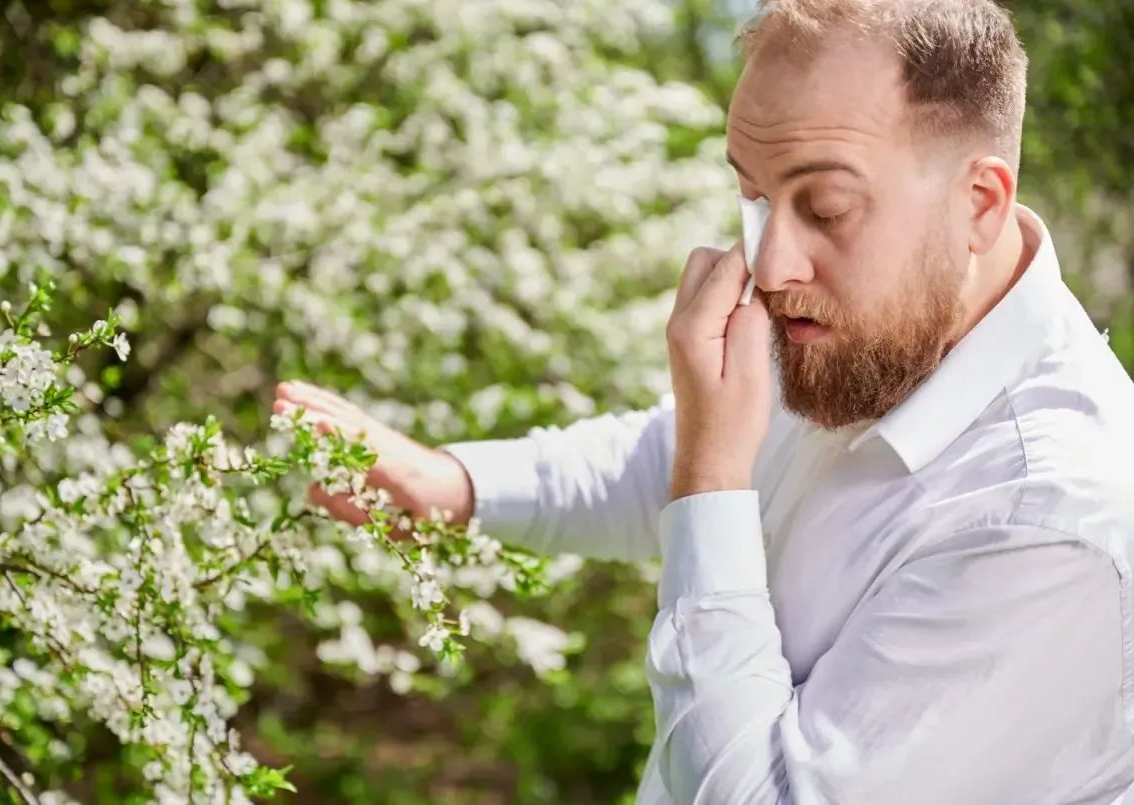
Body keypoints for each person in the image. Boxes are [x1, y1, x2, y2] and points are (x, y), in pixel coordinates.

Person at [274, 0, 1134, 801]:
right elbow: (679, 456)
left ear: (978, 204)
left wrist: (711, 473)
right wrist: (455, 484)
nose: (768, 265)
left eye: (825, 207)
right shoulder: (876, 326)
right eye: (753, 196)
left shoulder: (1046, 525)